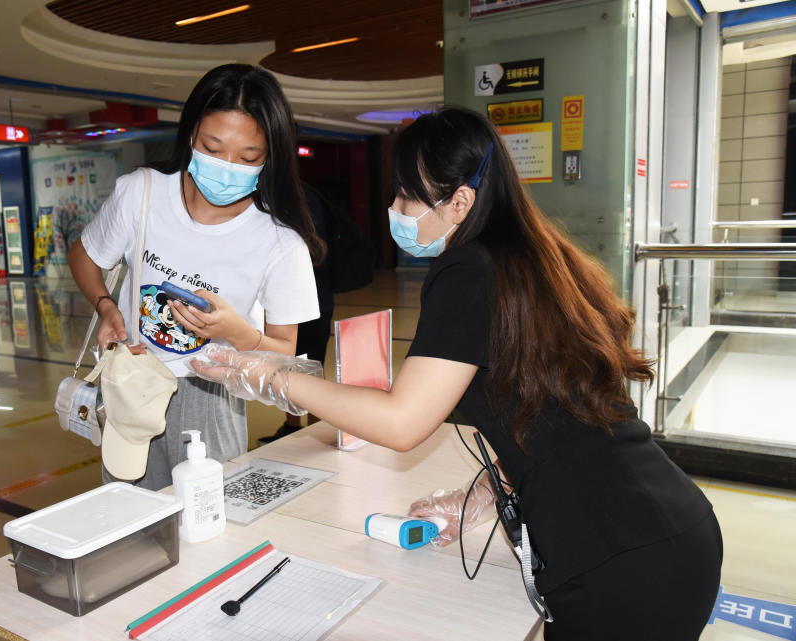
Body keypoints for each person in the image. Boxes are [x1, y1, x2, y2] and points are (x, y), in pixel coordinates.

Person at [193, 108, 722, 640]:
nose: (394, 208)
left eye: (406, 196)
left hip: (619, 560)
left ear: (460, 202)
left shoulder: (468, 270)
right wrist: (485, 496)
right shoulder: (537, 259)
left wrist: (269, 375)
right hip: (666, 528)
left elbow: (402, 422)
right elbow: (551, 410)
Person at [68, 63, 324, 491]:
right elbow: (84, 255)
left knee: (208, 523)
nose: (227, 167)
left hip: (212, 393)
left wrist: (239, 332)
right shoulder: (142, 192)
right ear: (191, 135)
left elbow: (285, 353)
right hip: (134, 382)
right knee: (130, 517)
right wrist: (106, 305)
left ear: (270, 158)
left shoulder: (280, 243)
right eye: (213, 146)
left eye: (248, 158)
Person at [258, 182, 334, 444]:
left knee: (309, 367)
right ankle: (293, 425)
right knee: (291, 366)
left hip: (311, 299)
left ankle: (314, 428)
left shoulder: (294, 201)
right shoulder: (303, 196)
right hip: (299, 298)